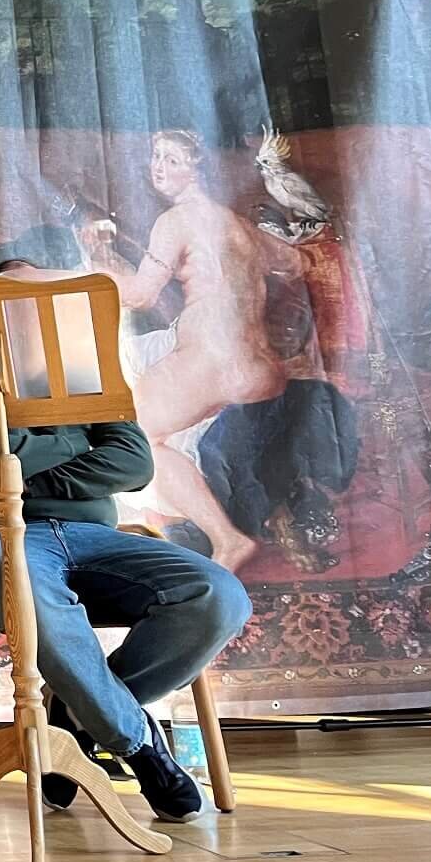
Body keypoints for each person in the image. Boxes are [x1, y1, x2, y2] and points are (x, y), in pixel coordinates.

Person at [0, 261, 252, 823]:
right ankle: (139, 747)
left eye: (48, 301)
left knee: (218, 595)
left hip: (97, 541)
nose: (40, 312)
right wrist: (79, 446)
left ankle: (75, 719)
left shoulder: (85, 371)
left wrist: (24, 476)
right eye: (21, 302)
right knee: (22, 583)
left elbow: (134, 462)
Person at [83, 129, 304, 568]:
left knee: (129, 433)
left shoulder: (175, 221)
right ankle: (187, 526)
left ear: (197, 168)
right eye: (155, 157)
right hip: (261, 366)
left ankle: (225, 539)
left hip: (213, 362)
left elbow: (140, 295)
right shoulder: (236, 224)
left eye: (172, 159)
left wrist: (88, 271)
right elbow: (295, 261)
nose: (159, 167)